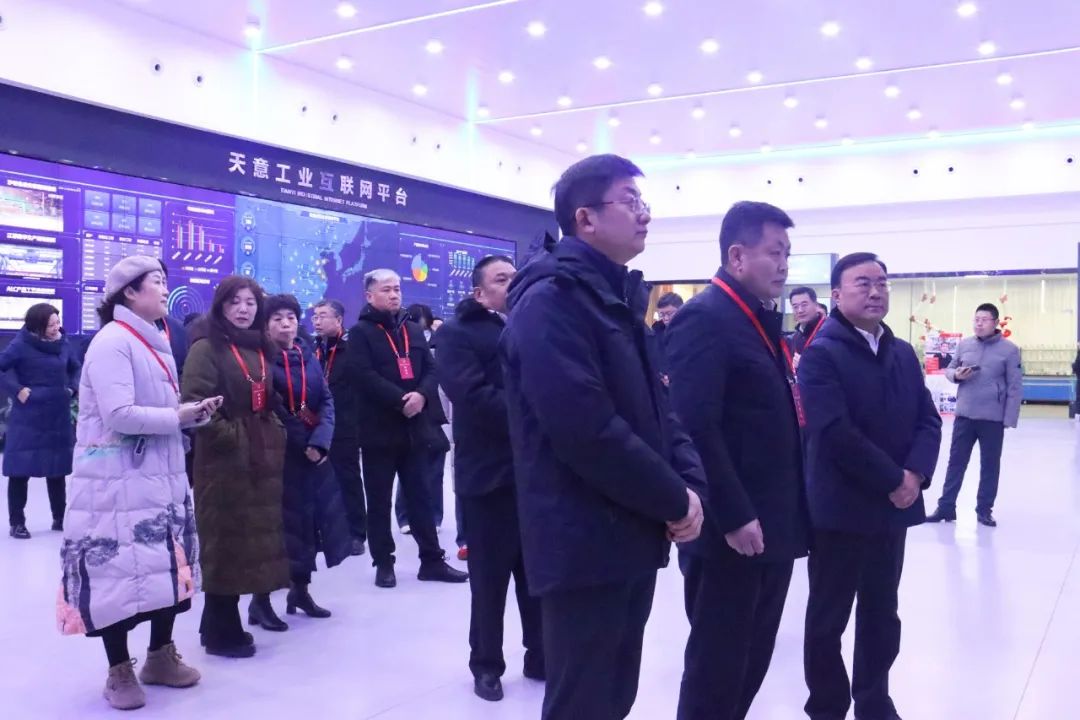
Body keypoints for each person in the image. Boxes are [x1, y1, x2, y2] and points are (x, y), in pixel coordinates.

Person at [500, 154, 706, 720]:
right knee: (584, 701)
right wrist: (672, 498)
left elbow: (661, 410)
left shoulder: (614, 298)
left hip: (631, 531)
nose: (645, 214)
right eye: (630, 201)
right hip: (583, 539)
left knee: (614, 695)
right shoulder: (551, 301)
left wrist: (690, 487)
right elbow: (585, 428)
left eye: (644, 202)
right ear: (585, 218)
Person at [665, 201, 810, 720]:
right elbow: (694, 426)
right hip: (732, 529)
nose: (784, 264)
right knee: (719, 664)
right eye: (774, 252)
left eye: (788, 253)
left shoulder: (759, 320)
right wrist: (732, 514)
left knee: (752, 657)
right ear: (737, 255)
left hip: (771, 521)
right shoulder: (705, 318)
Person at [58, 256, 215, 710]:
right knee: (116, 574)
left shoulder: (154, 339)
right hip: (114, 482)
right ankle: (119, 670)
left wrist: (191, 416)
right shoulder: (113, 341)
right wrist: (178, 416)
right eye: (157, 282)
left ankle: (160, 656)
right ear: (129, 291)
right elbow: (119, 414)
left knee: (164, 566)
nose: (166, 290)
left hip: (157, 475)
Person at [799, 252, 942, 720]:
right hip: (841, 510)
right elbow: (834, 431)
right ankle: (827, 705)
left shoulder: (901, 353)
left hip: (891, 510)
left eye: (882, 282)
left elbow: (928, 418)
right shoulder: (822, 354)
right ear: (837, 294)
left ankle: (874, 699)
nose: (876, 291)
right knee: (828, 617)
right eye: (863, 283)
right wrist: (893, 479)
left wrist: (916, 474)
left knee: (882, 612)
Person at [436, 255, 544, 702]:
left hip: (535, 475)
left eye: (515, 277)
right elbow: (472, 395)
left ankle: (540, 655)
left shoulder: (533, 325)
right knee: (489, 580)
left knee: (537, 575)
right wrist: (537, 414)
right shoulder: (457, 334)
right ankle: (486, 665)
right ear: (479, 293)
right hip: (488, 475)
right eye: (502, 279)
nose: (512, 284)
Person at [182, 276, 290, 657]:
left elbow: (264, 397)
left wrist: (273, 429)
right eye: (235, 302)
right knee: (223, 541)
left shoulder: (258, 345)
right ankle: (221, 631)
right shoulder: (206, 347)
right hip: (222, 462)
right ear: (220, 306)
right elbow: (196, 404)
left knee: (244, 543)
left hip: (258, 460)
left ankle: (216, 623)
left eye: (250, 302)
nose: (244, 309)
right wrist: (235, 438)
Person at [346, 269, 467, 588]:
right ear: (369, 296)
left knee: (421, 496)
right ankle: (384, 562)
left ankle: (432, 560)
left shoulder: (412, 329)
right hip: (378, 429)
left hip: (415, 428)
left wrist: (422, 395)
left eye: (397, 289)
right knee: (380, 500)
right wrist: (401, 400)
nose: (394, 294)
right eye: (386, 289)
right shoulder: (359, 333)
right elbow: (362, 375)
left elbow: (431, 368)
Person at [266, 294, 352, 619]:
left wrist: (320, 442)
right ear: (265, 325)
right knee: (279, 529)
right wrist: (305, 442)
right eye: (277, 319)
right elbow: (273, 407)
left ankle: (300, 591)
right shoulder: (261, 359)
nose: (285, 324)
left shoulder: (306, 354)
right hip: (281, 454)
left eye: (290, 317)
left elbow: (326, 400)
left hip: (314, 454)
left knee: (310, 523)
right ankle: (261, 601)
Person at [926, 303, 1022, 527]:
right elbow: (949, 369)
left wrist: (1009, 418)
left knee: (990, 466)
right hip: (965, 415)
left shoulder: (1009, 350)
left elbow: (1015, 386)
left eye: (984, 320)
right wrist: (957, 375)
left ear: (995, 323)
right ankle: (946, 507)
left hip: (992, 418)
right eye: (976, 319)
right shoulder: (965, 345)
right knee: (956, 463)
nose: (978, 323)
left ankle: (984, 510)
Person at [0, 303, 79, 539]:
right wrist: (17, 390)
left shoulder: (63, 343)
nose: (57, 327)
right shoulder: (21, 344)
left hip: (57, 414)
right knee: (20, 469)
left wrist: (72, 389)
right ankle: (17, 523)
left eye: (58, 322)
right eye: (51, 324)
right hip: (28, 417)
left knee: (57, 469)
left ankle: (59, 518)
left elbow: (76, 368)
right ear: (37, 325)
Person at [313, 299, 367, 556]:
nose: (317, 321)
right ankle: (326, 533)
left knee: (348, 479)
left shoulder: (351, 349)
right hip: (317, 425)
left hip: (346, 425)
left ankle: (356, 533)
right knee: (321, 481)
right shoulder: (312, 349)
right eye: (315, 316)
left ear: (338, 320)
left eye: (323, 316)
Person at [397, 302, 451, 535]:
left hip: (434, 413)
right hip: (408, 408)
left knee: (435, 469)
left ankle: (434, 516)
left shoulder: (440, 344)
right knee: (408, 467)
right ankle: (405, 516)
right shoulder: (399, 345)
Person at [787, 286, 827, 369]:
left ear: (816, 305)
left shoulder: (828, 331)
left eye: (804, 305)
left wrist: (807, 365)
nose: (800, 310)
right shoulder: (793, 338)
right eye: (795, 306)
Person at [652, 291, 684, 384]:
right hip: (660, 384)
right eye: (662, 314)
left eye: (669, 314)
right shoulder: (655, 331)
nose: (665, 318)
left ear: (681, 310)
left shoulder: (689, 332)